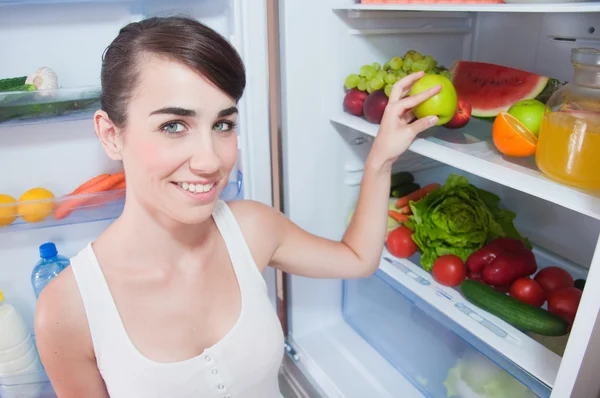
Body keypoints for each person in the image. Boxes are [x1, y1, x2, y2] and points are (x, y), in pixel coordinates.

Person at [34, 15, 441, 398]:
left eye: (223, 124)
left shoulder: (250, 228)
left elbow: (356, 259)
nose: (211, 161)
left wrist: (381, 157)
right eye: (173, 126)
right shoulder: (67, 309)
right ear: (110, 135)